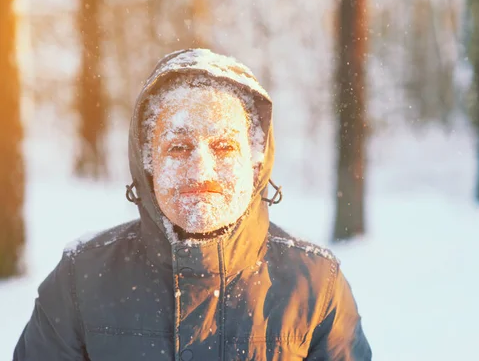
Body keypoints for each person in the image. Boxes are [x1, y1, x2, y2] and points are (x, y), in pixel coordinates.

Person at [13, 48, 371, 360]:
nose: (200, 170)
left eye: (224, 147)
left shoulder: (316, 285)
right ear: (147, 164)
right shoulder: (81, 279)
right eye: (178, 147)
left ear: (257, 161)